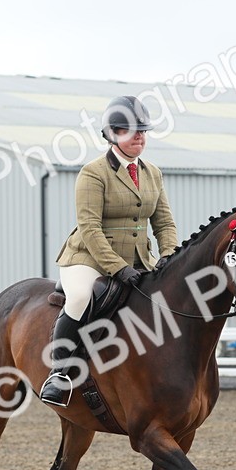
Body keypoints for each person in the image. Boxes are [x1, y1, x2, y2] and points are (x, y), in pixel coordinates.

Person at [40, 95, 179, 406]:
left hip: (138, 259)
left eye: (143, 131)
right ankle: (59, 373)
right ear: (113, 134)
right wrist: (118, 268)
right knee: (79, 297)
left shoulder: (152, 173)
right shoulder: (93, 172)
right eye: (132, 131)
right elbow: (89, 228)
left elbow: (165, 222)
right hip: (88, 258)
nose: (140, 137)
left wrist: (168, 254)